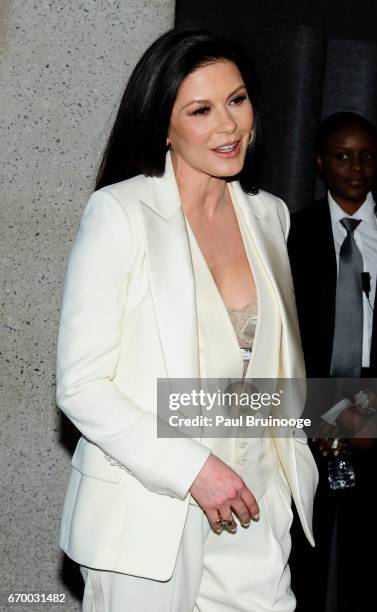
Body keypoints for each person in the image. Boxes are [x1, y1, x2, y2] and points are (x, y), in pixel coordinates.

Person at [56, 28, 318, 612]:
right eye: (201, 109)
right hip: (148, 514)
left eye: (237, 99)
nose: (228, 126)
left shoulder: (270, 215)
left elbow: (267, 378)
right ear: (164, 126)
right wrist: (195, 468)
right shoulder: (120, 213)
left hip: (256, 508)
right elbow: (81, 386)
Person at [288, 112, 377, 612]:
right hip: (308, 418)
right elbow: (283, 336)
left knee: (374, 566)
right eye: (342, 155)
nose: (356, 167)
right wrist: (325, 411)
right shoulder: (292, 233)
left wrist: (373, 410)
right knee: (302, 562)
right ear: (320, 162)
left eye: (367, 156)